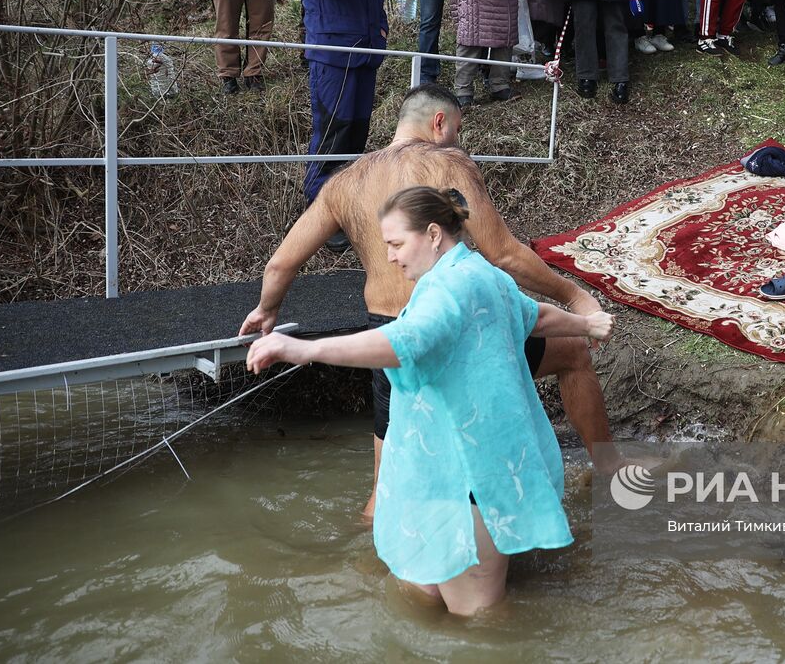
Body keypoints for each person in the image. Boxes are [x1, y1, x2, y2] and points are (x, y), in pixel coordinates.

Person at [241, 85, 622, 518]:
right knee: (572, 354)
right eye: (457, 129)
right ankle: (610, 468)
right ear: (439, 124)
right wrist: (575, 295)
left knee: (387, 478)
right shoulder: (448, 164)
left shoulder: (344, 182)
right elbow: (503, 253)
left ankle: (369, 563)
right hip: (456, 325)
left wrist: (267, 311)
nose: (459, 139)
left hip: (390, 334)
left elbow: (279, 265)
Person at [247, 184, 613, 616]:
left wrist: (305, 349)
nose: (390, 256)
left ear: (434, 234)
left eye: (397, 243)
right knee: (421, 593)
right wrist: (586, 325)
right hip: (458, 468)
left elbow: (403, 341)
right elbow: (535, 315)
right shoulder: (481, 274)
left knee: (479, 618)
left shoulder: (449, 290)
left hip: (470, 475)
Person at [291, 0, 402, 203]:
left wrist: (381, 32)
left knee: (355, 136)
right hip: (333, 56)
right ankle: (318, 211)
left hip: (364, 55)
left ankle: (345, 209)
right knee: (331, 137)